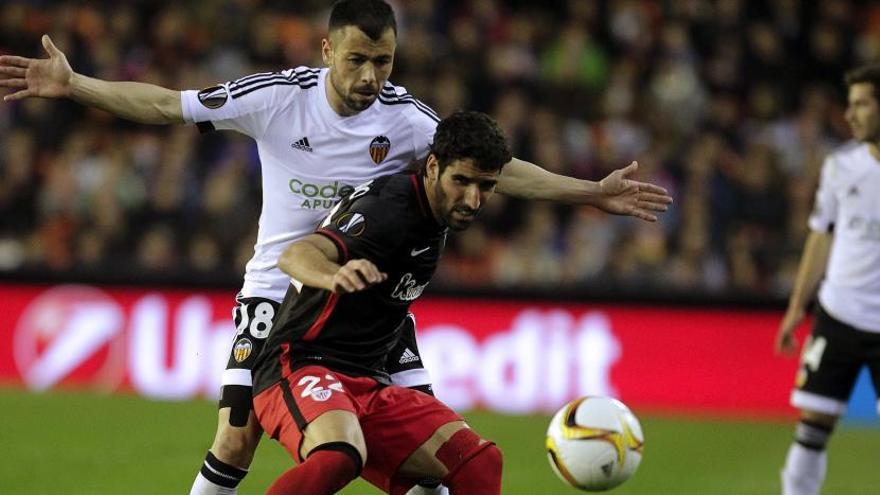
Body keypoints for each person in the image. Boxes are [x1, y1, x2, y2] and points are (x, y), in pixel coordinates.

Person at [0, 1, 672, 494]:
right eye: (357, 59)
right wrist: (75, 85)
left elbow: (490, 165)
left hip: (370, 310)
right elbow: (165, 106)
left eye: (383, 61)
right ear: (326, 51)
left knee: (438, 473)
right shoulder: (277, 100)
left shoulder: (407, 120)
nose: (371, 75)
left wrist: (588, 190)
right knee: (235, 439)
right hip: (280, 291)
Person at [252, 110, 510, 495]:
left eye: (486, 186)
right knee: (339, 453)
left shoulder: (434, 216)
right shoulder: (388, 208)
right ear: (434, 166)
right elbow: (296, 254)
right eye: (462, 181)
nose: (473, 200)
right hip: (300, 364)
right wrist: (332, 275)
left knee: (479, 462)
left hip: (370, 385)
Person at [775, 63, 880, 495]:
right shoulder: (840, 167)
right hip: (837, 316)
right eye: (850, 104)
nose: (850, 115)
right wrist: (796, 308)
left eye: (861, 104)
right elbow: (820, 238)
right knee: (811, 429)